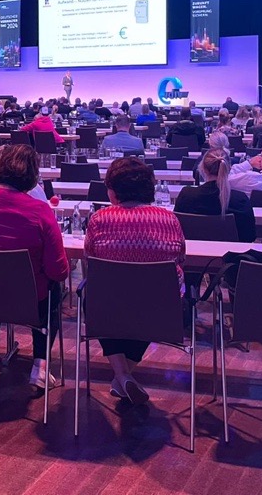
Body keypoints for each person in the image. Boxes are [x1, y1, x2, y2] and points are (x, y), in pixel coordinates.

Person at [0, 144, 69, 388]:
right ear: (32, 176)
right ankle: (40, 365)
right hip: (27, 299)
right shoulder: (40, 211)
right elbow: (58, 271)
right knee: (52, 290)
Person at [84, 157, 185, 404]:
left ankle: (122, 375)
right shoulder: (168, 219)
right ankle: (123, 377)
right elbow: (180, 258)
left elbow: (89, 259)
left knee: (102, 294)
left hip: (107, 307)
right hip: (159, 309)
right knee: (143, 300)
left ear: (113, 189)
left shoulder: (100, 219)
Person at [174, 148, 255, 243]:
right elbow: (250, 236)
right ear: (228, 169)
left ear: (203, 169)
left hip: (192, 253)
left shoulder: (186, 195)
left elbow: (177, 229)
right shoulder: (240, 199)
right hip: (232, 255)